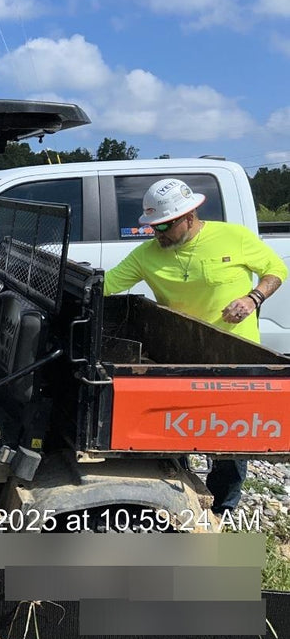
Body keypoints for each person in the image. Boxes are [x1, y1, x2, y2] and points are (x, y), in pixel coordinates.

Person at [104, 177, 287, 514]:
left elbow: (276, 270)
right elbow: (108, 284)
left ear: (189, 216)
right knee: (178, 430)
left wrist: (253, 298)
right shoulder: (146, 255)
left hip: (235, 357)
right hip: (182, 357)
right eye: (153, 227)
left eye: (164, 226)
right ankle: (183, 497)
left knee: (230, 440)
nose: (157, 234)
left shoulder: (233, 237)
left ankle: (222, 510)